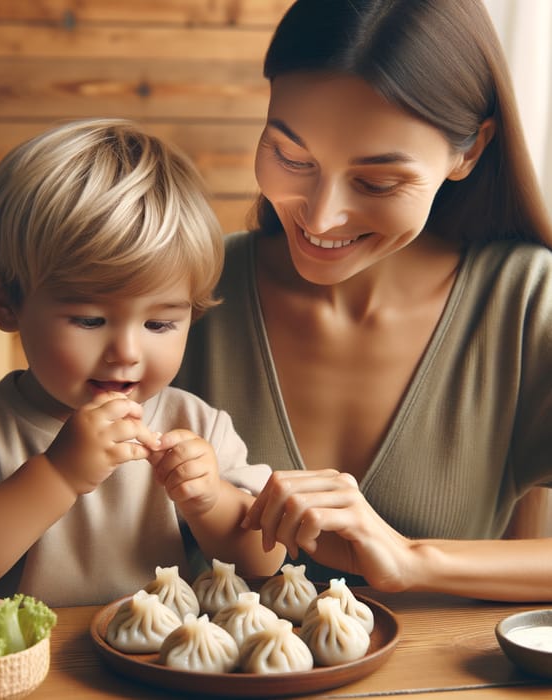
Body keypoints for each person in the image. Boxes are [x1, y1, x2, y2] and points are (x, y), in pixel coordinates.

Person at [174, 0, 552, 602]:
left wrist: (414, 560)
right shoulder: (183, 290)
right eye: (291, 157)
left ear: (470, 151)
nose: (321, 217)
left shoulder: (528, 302)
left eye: (377, 181)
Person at [0, 119, 285, 607]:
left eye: (159, 325)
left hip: (162, 669)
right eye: (90, 320)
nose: (127, 352)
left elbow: (263, 560)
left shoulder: (196, 425)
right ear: (4, 301)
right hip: (26, 676)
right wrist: (58, 475)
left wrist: (211, 500)